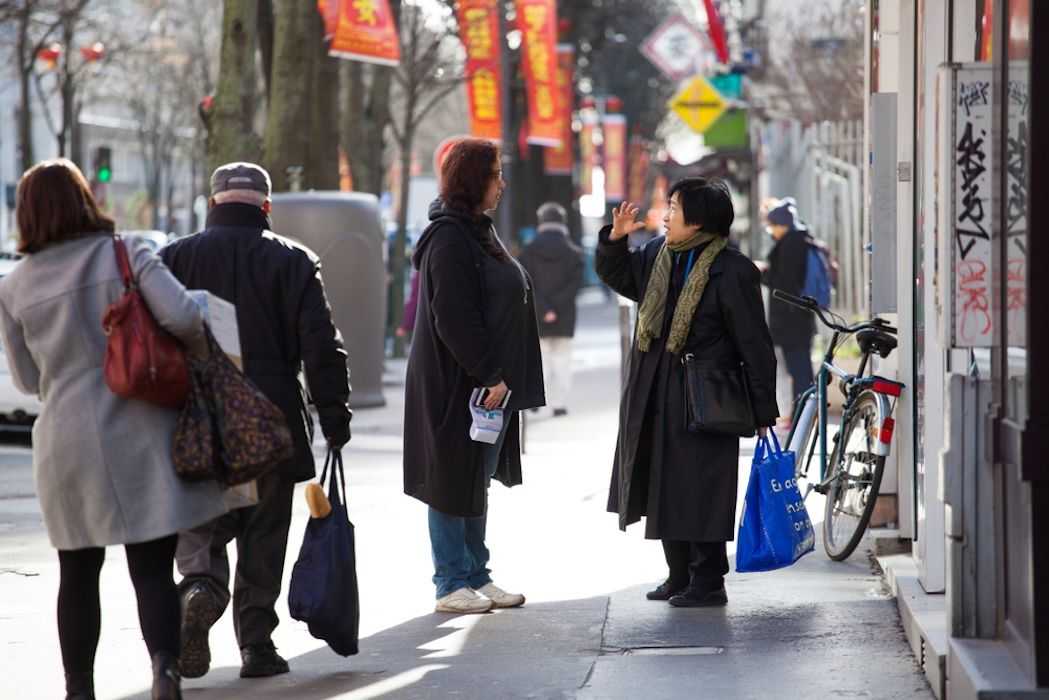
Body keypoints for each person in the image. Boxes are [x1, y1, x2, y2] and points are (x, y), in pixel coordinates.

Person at [0, 159, 229, 700]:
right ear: (85, 199)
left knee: (76, 572)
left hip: (65, 442)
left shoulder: (13, 286)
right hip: (142, 429)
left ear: (26, 214)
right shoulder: (125, 252)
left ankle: (79, 689)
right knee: (150, 568)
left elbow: (28, 380)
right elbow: (185, 318)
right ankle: (165, 675)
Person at [161, 162, 352, 679]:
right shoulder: (294, 261)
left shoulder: (174, 258)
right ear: (266, 207)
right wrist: (335, 415)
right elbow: (321, 345)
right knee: (265, 531)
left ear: (213, 202)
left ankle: (200, 587)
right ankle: (257, 646)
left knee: (202, 521)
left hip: (199, 421)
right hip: (273, 419)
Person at [595, 178, 778, 608]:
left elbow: (754, 342)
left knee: (700, 488)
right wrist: (615, 241)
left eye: (674, 208)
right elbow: (621, 277)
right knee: (661, 483)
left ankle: (708, 580)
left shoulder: (731, 270)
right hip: (654, 386)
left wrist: (762, 405)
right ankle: (677, 574)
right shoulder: (658, 256)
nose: (665, 215)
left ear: (696, 221)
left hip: (705, 394)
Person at [403, 138, 545, 614]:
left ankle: (476, 574)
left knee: (473, 480)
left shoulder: (477, 231)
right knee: (450, 479)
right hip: (460, 384)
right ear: (473, 179)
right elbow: (453, 316)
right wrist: (488, 374)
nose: (502, 183)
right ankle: (449, 582)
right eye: (495, 174)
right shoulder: (448, 238)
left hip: (487, 385)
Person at [518, 202, 584, 417]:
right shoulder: (574, 252)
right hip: (565, 314)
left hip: (537, 314)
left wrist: (544, 307)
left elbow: (526, 283)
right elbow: (575, 285)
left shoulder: (528, 252)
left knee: (541, 357)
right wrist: (556, 307)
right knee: (563, 359)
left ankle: (537, 399)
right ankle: (559, 404)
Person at [762, 197, 816, 423]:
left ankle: (805, 414)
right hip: (798, 317)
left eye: (772, 225)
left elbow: (784, 282)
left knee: (799, 368)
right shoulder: (799, 240)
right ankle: (800, 414)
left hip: (792, 318)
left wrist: (763, 273)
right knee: (799, 367)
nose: (770, 230)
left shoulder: (791, 244)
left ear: (781, 224)